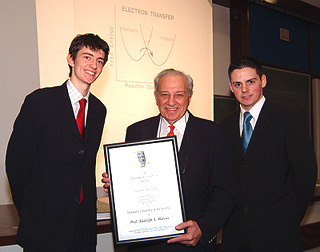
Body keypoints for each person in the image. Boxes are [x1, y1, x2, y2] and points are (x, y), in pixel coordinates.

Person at [102, 68, 237, 251]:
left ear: (189, 96)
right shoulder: (136, 131)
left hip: (192, 245)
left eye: (179, 95)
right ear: (156, 96)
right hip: (145, 245)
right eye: (164, 94)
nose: (171, 102)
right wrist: (118, 185)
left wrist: (202, 228)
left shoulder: (214, 135)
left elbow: (226, 193)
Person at [6, 33, 110, 252]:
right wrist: (30, 212)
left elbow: (84, 163)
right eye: (87, 57)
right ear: (71, 59)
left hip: (83, 227)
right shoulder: (40, 102)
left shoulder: (99, 110)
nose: (94, 65)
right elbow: (16, 164)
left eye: (99, 61)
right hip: (45, 226)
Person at [220, 56, 317, 252]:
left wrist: (288, 219)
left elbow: (305, 174)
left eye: (251, 82)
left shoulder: (288, 120)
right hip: (236, 236)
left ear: (263, 81)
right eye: (238, 84)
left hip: (278, 234)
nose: (244, 90)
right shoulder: (224, 126)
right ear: (231, 87)